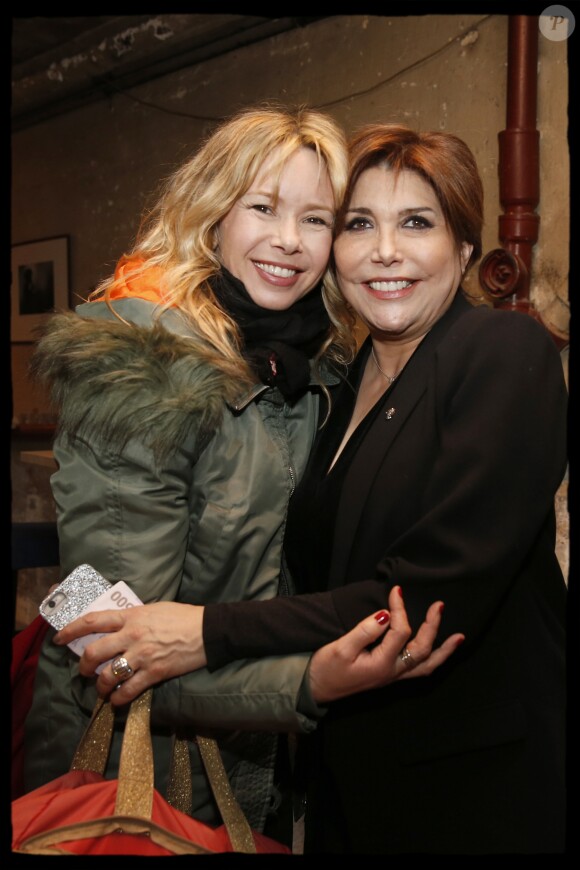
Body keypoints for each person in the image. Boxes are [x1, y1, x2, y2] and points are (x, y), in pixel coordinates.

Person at [59, 123, 568, 855]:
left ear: (462, 251)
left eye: (416, 223)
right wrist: (306, 685)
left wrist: (215, 635)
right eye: (360, 223)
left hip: (470, 781)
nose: (384, 249)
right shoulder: (329, 380)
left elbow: (423, 591)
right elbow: (99, 629)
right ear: (211, 217)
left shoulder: (487, 352)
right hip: (173, 768)